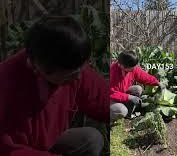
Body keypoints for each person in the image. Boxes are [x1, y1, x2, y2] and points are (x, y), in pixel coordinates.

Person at [0, 15, 109, 156]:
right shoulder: (7, 85)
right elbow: (8, 150)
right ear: (42, 69)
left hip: (47, 143)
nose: (78, 77)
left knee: (91, 139)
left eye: (82, 69)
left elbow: (103, 100)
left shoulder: (72, 64)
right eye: (71, 74)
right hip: (15, 149)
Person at [109, 51, 166, 122]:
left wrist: (157, 83)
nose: (134, 69)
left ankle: (128, 114)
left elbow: (144, 76)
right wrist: (129, 97)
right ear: (122, 66)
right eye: (132, 68)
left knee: (137, 89)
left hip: (121, 93)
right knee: (121, 110)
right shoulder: (111, 72)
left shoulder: (132, 68)